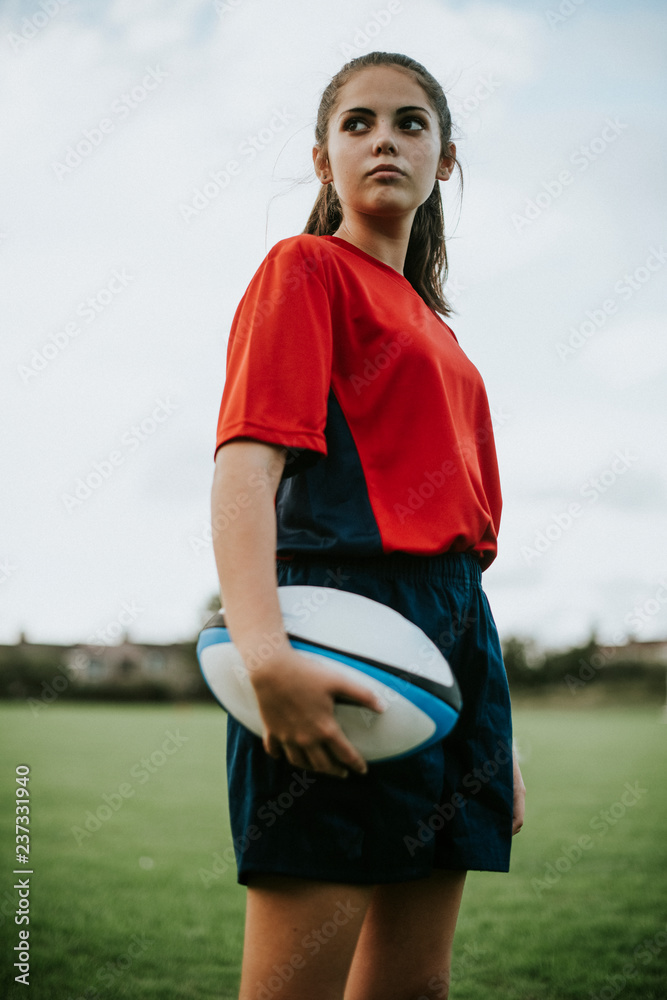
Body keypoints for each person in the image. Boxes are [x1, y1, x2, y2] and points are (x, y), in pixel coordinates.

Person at [210, 50, 526, 1000]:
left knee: (412, 989)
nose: (383, 138)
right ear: (323, 162)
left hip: (458, 634)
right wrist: (265, 657)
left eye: (409, 122)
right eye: (357, 123)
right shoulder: (306, 270)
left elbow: (464, 551)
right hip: (348, 622)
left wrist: (493, 738)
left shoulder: (440, 330)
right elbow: (244, 470)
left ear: (446, 160)